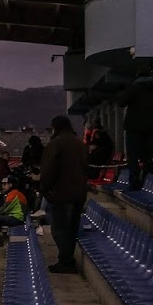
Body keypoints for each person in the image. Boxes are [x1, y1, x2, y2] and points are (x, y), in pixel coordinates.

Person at [39, 114, 91, 273]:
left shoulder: (55, 144)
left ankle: (66, 262)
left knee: (59, 229)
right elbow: (86, 168)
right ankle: (67, 260)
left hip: (61, 193)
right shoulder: (80, 144)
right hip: (78, 194)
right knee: (71, 229)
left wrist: (44, 189)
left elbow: (48, 170)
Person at [117, 65, 153, 191]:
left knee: (133, 157)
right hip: (150, 130)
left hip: (133, 128)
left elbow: (121, 102)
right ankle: (148, 182)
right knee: (147, 157)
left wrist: (124, 90)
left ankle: (134, 183)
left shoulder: (134, 88)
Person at [0, 176, 28, 246]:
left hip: (17, 218)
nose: (2, 186)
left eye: (5, 184)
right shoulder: (12, 193)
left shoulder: (14, 193)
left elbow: (4, 208)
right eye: (2, 185)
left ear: (10, 185)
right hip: (16, 216)